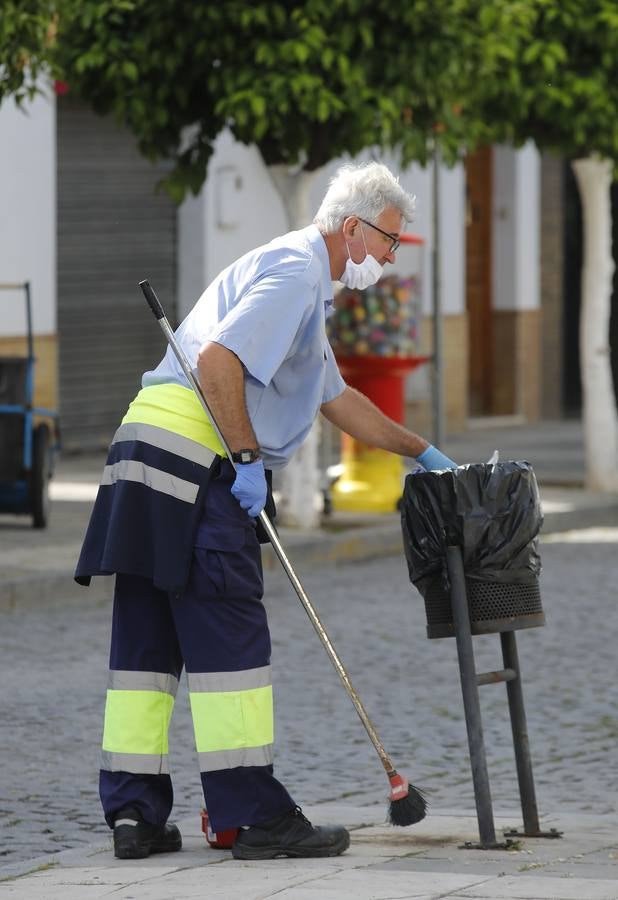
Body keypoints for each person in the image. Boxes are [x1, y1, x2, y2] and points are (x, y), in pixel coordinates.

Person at [75, 161, 456, 862]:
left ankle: (135, 816)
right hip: (198, 463)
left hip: (142, 452)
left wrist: (421, 450)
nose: (389, 258)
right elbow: (220, 362)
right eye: (390, 243)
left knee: (146, 648)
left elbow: (334, 397)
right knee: (230, 647)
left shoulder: (294, 277)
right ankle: (252, 815)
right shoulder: (295, 273)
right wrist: (248, 463)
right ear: (353, 228)